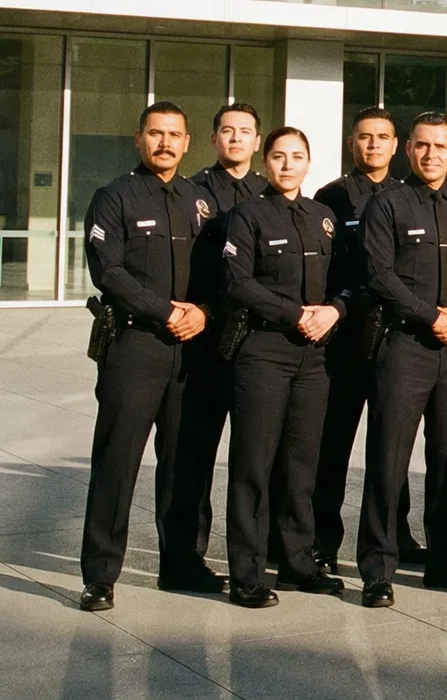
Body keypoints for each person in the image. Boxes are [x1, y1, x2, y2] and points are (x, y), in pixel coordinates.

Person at [76, 102, 220, 611]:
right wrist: (165, 310)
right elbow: (107, 271)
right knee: (118, 460)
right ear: (139, 139)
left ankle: (181, 562)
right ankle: (100, 574)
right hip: (136, 345)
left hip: (192, 349)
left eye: (174, 135)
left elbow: (220, 272)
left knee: (186, 459)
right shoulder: (113, 197)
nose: (164, 143)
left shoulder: (201, 202)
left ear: (186, 143)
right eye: (155, 133)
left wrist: (202, 311)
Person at [356, 112, 447, 607]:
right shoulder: (386, 205)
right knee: (388, 460)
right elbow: (378, 274)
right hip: (405, 346)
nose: (431, 154)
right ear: (408, 150)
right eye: (422, 146)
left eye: (441, 147)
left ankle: (445, 561)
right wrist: (430, 315)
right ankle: (377, 568)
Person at [222, 126, 348, 607]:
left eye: (297, 156)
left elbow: (346, 278)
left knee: (302, 464)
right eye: (278, 156)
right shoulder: (246, 216)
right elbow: (238, 282)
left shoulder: (323, 218)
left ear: (309, 163)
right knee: (254, 463)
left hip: (315, 356)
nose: (287, 164)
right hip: (264, 351)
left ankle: (298, 561)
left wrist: (334, 309)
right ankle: (248, 573)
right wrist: (293, 313)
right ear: (265, 162)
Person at [311, 107, 420, 572]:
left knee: (392, 444)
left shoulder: (407, 196)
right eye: (364, 137)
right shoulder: (330, 197)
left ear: (398, 146)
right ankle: (322, 538)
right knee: (332, 443)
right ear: (351, 143)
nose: (373, 145)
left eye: (382, 137)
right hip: (345, 336)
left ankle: (398, 532)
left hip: (395, 337)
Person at [173, 102, 272, 586]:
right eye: (227, 131)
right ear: (213, 140)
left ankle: (261, 551)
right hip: (208, 339)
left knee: (258, 455)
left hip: (262, 343)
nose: (236, 139)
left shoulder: (269, 191)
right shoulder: (192, 192)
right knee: (192, 454)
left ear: (258, 142)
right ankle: (184, 558)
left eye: (246, 132)